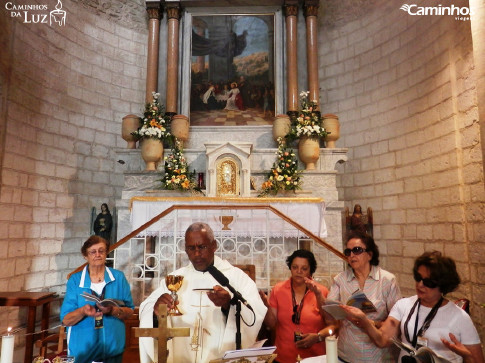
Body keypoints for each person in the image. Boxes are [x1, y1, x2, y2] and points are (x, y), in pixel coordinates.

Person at [139, 222, 267, 363]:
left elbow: (255, 313)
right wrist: (155, 311)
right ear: (185, 249)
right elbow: (146, 308)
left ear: (214, 245)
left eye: (202, 247)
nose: (197, 254)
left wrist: (228, 305)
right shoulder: (175, 279)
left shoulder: (236, 277)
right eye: (191, 248)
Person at [341, 251, 485, 363]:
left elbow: (477, 361)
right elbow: (382, 340)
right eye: (418, 277)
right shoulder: (404, 305)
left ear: (443, 285)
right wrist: (365, 321)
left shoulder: (460, 318)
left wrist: (467, 357)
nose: (420, 284)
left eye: (428, 282)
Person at [324, 231, 401, 362]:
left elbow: (397, 321)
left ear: (370, 254)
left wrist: (370, 323)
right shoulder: (340, 279)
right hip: (347, 354)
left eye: (357, 250)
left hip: (377, 356)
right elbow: (329, 315)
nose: (352, 255)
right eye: (348, 252)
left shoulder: (387, 280)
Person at [60, 235, 134, 363]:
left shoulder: (118, 277)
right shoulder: (75, 280)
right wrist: (83, 311)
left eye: (101, 251)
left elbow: (130, 311)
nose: (98, 254)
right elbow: (66, 320)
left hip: (113, 348)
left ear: (106, 253)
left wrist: (112, 310)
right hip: (83, 351)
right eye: (93, 252)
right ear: (85, 255)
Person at [259, 250, 331, 363]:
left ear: (311, 271)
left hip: (314, 358)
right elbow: (271, 324)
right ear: (290, 268)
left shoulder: (321, 291)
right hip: (283, 357)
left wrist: (318, 337)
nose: (298, 271)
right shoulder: (278, 289)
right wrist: (266, 305)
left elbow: (333, 325)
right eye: (295, 267)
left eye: (304, 269)